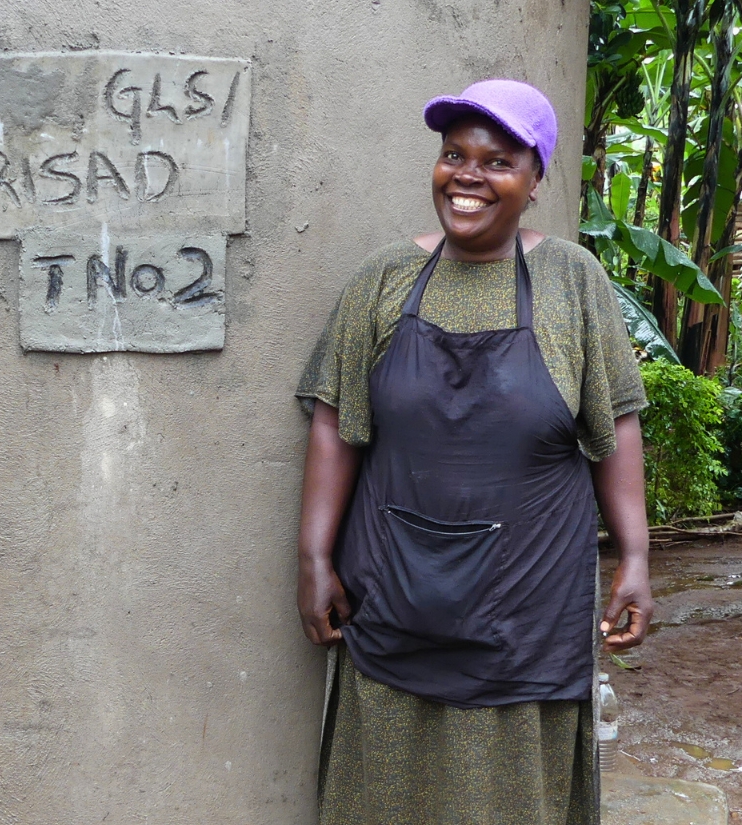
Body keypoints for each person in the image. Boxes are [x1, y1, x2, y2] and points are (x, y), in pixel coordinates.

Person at [294, 78, 655, 825]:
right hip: (395, 593)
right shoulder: (385, 277)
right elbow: (336, 419)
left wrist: (637, 557)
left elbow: (616, 424)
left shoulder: (571, 280)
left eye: (497, 161)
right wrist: (313, 556)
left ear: (534, 179)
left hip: (525, 606)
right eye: (453, 154)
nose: (467, 175)